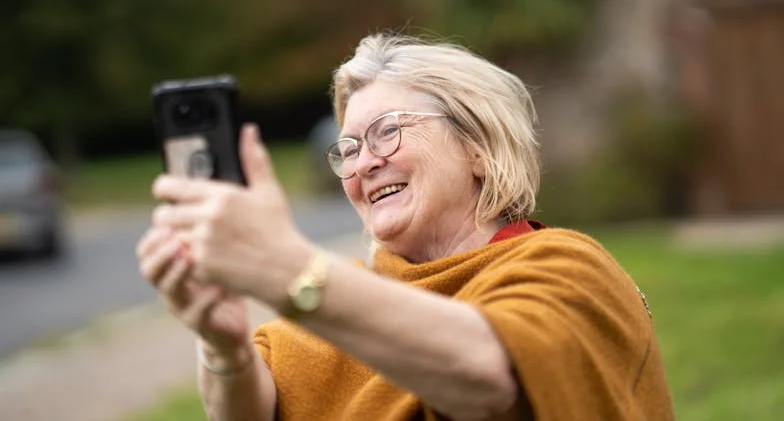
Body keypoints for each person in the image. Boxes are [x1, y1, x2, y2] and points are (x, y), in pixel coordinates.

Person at [136, 34, 675, 421]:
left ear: (479, 149)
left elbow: (492, 378)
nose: (364, 163)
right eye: (347, 149)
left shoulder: (571, 269)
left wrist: (284, 266)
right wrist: (223, 346)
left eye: (388, 132)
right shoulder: (327, 321)